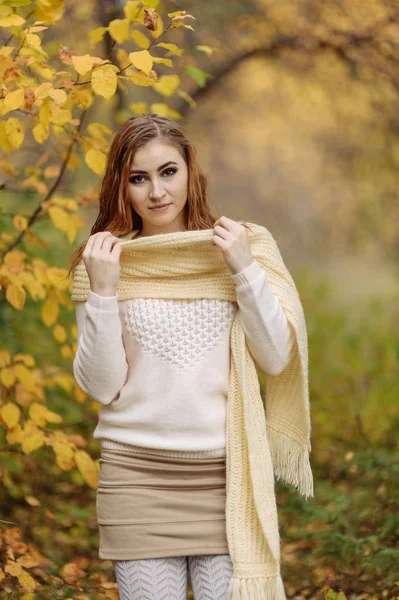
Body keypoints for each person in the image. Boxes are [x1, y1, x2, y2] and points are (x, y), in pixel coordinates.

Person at [68, 114, 296, 600]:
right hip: (137, 479)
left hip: (226, 480)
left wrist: (244, 271)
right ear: (120, 186)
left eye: (168, 172)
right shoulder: (103, 261)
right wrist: (105, 293)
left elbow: (276, 358)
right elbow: (102, 386)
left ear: (191, 171)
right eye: (139, 178)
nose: (156, 192)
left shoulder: (238, 247)